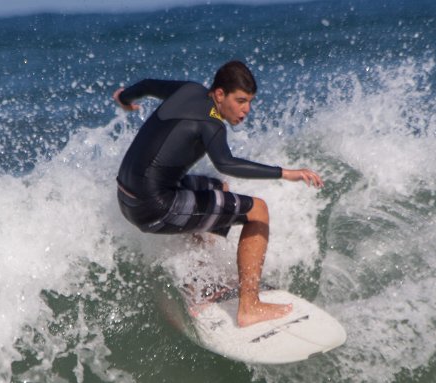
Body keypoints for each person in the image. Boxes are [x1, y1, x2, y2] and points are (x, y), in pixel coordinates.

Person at [112, 60, 323, 327]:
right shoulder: (212, 123)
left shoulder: (188, 90)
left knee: (215, 188)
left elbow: (146, 86)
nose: (246, 110)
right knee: (257, 210)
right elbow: (227, 163)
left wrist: (124, 99)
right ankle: (250, 306)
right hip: (154, 207)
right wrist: (286, 172)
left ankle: (201, 277)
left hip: (127, 197)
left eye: (250, 102)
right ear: (220, 94)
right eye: (241, 100)